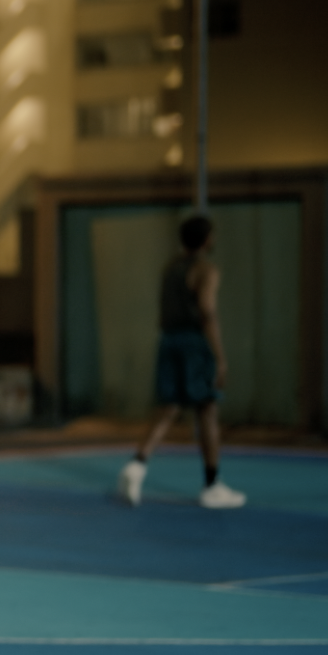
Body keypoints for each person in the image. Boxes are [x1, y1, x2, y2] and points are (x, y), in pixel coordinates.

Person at [115, 215, 245, 509]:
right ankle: (211, 485)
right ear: (207, 239)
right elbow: (207, 311)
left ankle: (136, 465)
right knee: (207, 410)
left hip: (168, 340)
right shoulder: (206, 270)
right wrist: (220, 357)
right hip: (194, 343)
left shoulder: (170, 269)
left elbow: (163, 311)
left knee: (166, 408)